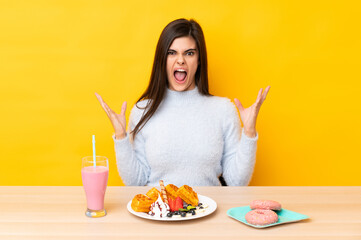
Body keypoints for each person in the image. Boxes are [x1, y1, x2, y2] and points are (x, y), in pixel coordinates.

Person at [95, 18, 270, 187]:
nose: (180, 60)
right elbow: (136, 181)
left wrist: (249, 133)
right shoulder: (142, 111)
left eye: (189, 53)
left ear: (199, 60)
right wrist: (120, 137)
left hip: (209, 213)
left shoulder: (223, 109)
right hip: (159, 214)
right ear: (162, 60)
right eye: (172, 53)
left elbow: (237, 182)